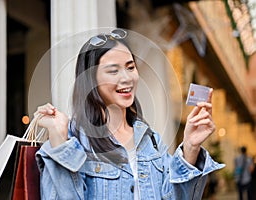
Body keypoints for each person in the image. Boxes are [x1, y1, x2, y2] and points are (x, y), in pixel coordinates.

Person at [34, 28, 224, 199]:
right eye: (113, 71)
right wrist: (59, 141)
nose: (126, 78)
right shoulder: (73, 139)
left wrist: (190, 146)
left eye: (130, 67)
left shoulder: (150, 140)